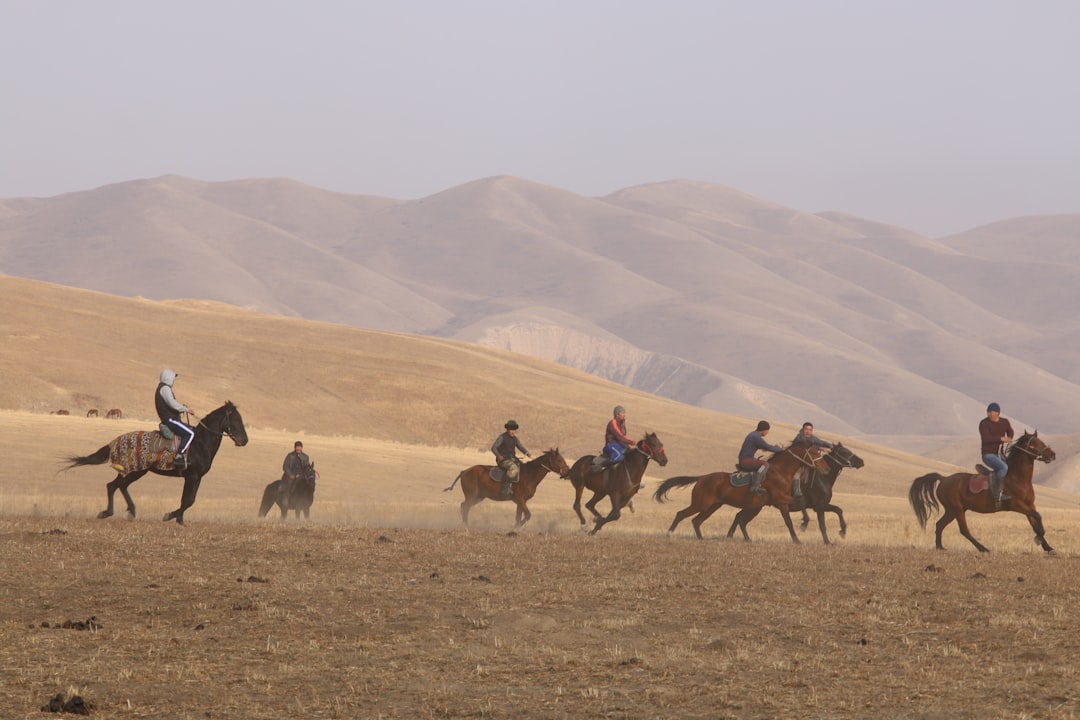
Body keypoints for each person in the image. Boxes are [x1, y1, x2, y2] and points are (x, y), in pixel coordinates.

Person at [155, 369, 195, 468]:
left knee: (192, 429)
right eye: (173, 378)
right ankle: (179, 456)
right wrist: (186, 409)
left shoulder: (163, 388)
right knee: (191, 433)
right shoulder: (165, 389)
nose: (173, 380)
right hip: (170, 420)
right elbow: (172, 403)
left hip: (171, 418)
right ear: (168, 378)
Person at [978, 402, 1014, 503]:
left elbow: (1010, 431)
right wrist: (1000, 438)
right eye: (988, 411)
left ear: (997, 413)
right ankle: (997, 494)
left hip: (999, 454)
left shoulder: (1004, 422)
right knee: (1004, 467)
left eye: (991, 412)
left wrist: (1010, 437)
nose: (989, 413)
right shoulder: (984, 423)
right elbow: (985, 439)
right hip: (988, 455)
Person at [737, 421, 784, 495]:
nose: (767, 432)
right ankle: (755, 486)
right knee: (765, 464)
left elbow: (764, 446)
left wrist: (774, 447)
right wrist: (781, 450)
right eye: (767, 430)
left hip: (746, 459)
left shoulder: (753, 435)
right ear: (764, 430)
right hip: (746, 461)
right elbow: (767, 447)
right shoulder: (756, 437)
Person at [789, 422, 833, 498]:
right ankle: (796, 491)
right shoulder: (799, 437)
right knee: (797, 474)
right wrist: (819, 448)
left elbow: (820, 442)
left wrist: (830, 446)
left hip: (805, 460)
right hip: (795, 461)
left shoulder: (812, 437)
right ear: (803, 429)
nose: (808, 431)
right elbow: (806, 446)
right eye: (806, 429)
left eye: (810, 430)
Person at [491, 420, 531, 496]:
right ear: (508, 430)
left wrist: (527, 453)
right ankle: (506, 488)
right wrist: (498, 455)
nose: (513, 432)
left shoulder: (515, 439)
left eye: (514, 430)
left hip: (513, 459)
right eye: (511, 430)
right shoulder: (502, 437)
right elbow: (493, 447)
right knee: (513, 468)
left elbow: (521, 447)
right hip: (503, 460)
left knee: (522, 467)